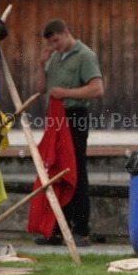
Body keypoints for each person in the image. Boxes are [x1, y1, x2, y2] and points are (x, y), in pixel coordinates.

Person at [32, 19, 103, 246]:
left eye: (56, 41)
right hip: (56, 118)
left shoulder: (85, 55)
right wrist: (41, 65)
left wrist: (66, 92)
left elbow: (97, 88)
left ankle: (81, 230)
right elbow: (41, 89)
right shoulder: (55, 57)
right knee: (55, 169)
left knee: (76, 170)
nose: (55, 46)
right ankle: (57, 229)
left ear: (66, 32)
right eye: (51, 42)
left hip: (75, 116)